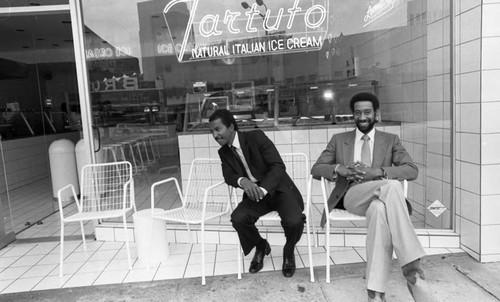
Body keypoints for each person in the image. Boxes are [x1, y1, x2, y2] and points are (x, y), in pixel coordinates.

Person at [311, 92, 437, 302]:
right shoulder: (339, 140)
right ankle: (413, 272)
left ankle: (375, 293)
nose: (362, 117)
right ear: (353, 115)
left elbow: (411, 170)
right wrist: (340, 168)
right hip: (352, 196)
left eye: (367, 112)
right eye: (358, 113)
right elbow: (316, 169)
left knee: (379, 209)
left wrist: (376, 171)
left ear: (376, 114)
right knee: (393, 186)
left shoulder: (390, 140)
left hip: (382, 199)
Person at [208, 109, 305, 278]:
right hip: (255, 196)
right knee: (238, 218)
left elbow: (277, 166)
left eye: (218, 129)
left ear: (231, 127)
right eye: (212, 132)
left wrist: (264, 188)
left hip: (279, 190)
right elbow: (229, 176)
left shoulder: (256, 137)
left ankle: (288, 251)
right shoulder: (223, 152)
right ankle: (261, 245)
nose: (215, 135)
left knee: (294, 221)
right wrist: (243, 181)